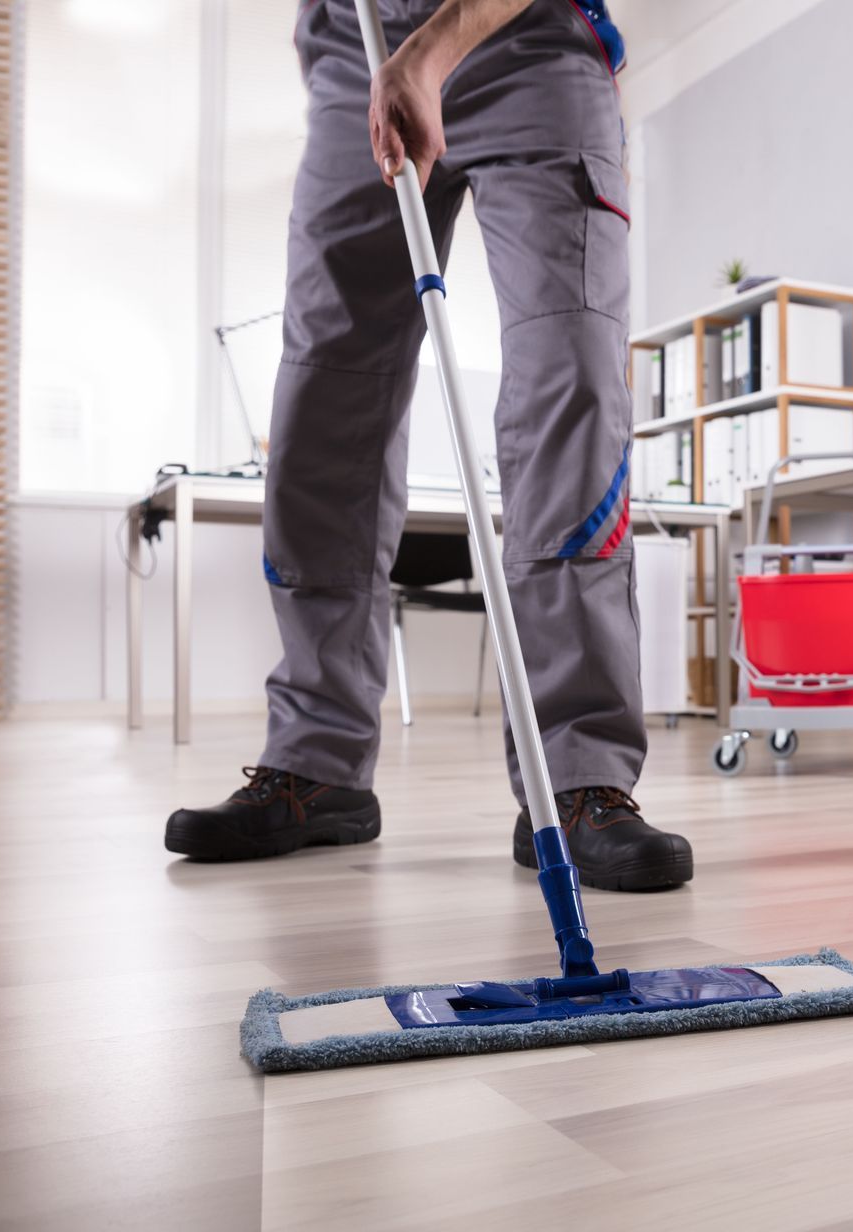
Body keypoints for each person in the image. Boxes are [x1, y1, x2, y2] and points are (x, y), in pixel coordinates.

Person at [164, 0, 692, 893]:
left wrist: (436, 47)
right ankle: (317, 760)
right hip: (358, 46)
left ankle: (576, 776)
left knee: (572, 383)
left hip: (533, 39)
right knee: (323, 401)